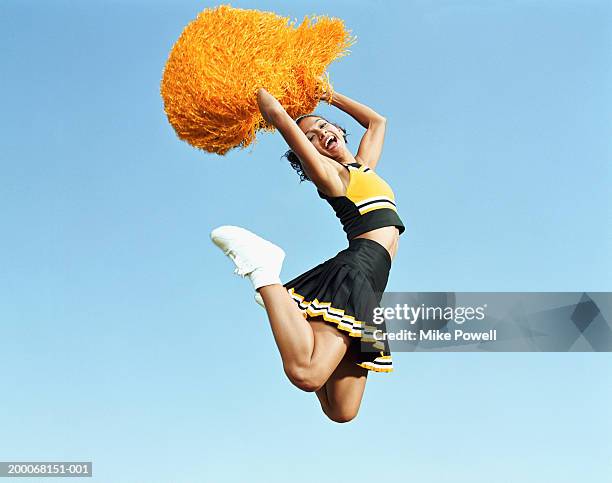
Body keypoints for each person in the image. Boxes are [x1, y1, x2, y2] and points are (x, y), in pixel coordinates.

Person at [211, 87, 405, 423]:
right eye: (311, 137)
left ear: (340, 130)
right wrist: (260, 88)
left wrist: (327, 94)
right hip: (355, 272)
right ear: (309, 154)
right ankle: (263, 270)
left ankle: (295, 313)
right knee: (306, 373)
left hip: (373, 288)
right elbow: (278, 117)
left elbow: (377, 122)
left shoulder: (363, 168)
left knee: (341, 410)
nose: (321, 133)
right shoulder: (333, 177)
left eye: (324, 126)